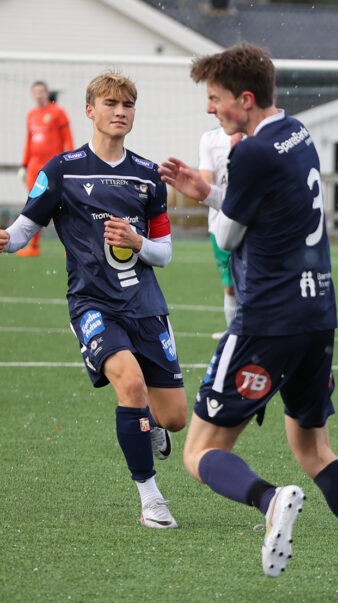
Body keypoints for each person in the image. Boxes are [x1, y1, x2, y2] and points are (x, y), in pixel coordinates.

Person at [158, 42, 338, 602]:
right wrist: (211, 190)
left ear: (245, 100)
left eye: (216, 99)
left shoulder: (249, 152)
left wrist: (209, 195)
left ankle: (269, 500)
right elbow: (266, 204)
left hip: (266, 319)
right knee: (314, 450)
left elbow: (226, 236)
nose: (211, 109)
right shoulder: (297, 133)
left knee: (199, 453)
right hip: (317, 313)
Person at [0, 72, 186, 528]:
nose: (120, 112)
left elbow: (164, 253)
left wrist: (137, 242)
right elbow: (23, 231)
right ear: (90, 111)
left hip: (145, 304)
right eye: (110, 103)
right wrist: (5, 240)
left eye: (127, 105)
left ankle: (152, 423)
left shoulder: (148, 176)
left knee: (175, 418)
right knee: (131, 384)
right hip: (92, 304)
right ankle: (151, 500)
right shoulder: (61, 170)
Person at [17, 80, 74, 257]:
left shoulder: (58, 112)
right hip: (34, 167)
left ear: (47, 93)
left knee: (63, 205)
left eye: (42, 92)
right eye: (36, 92)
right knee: (34, 203)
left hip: (53, 167)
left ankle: (71, 247)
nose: (39, 95)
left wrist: (70, 161)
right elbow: (29, 141)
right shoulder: (31, 115)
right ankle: (33, 246)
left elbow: (68, 138)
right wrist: (24, 164)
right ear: (33, 95)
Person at [197, 126, 242, 339]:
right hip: (220, 223)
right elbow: (205, 184)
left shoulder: (257, 134)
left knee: (254, 282)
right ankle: (233, 333)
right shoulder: (210, 138)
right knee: (230, 285)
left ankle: (252, 333)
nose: (213, 110)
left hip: (253, 224)